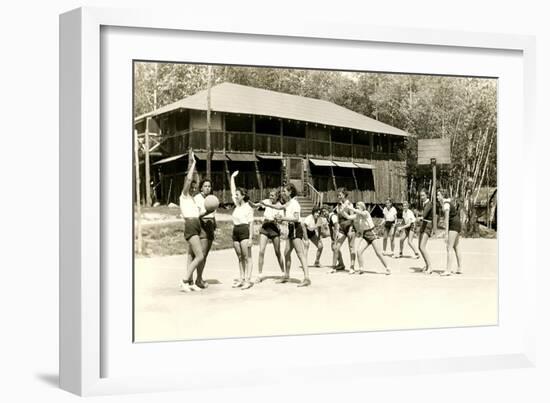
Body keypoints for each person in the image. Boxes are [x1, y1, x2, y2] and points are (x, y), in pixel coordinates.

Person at [178, 151, 206, 292]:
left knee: (191, 255)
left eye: (195, 187)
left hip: (196, 225)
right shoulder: (183, 196)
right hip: (190, 225)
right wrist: (194, 163)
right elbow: (188, 180)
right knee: (200, 255)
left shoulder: (193, 200)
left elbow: (200, 214)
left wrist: (209, 210)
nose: (193, 188)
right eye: (192, 187)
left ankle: (189, 282)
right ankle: (184, 281)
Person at [274, 183, 311, 287]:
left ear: (290, 192)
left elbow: (295, 218)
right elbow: (278, 207)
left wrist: (282, 219)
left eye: (284, 191)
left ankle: (307, 278)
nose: (283, 192)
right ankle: (286, 275)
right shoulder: (289, 203)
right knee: (286, 253)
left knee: (300, 254)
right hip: (291, 228)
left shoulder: (295, 203)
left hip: (295, 227)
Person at [250, 189, 285, 282]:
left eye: (273, 195)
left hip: (274, 228)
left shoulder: (280, 206)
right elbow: (254, 205)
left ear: (277, 196)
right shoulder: (266, 202)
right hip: (265, 227)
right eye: (270, 195)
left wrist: (277, 220)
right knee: (261, 251)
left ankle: (283, 273)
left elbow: (280, 220)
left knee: (278, 252)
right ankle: (260, 275)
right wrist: (247, 200)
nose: (270, 197)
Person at [188, 179, 216, 289]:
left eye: (209, 186)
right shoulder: (197, 198)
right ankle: (195, 279)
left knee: (205, 255)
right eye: (205, 186)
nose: (208, 188)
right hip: (201, 224)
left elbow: (213, 214)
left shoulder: (212, 198)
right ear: (201, 188)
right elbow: (195, 214)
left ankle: (198, 278)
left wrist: (214, 223)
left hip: (210, 225)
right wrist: (206, 212)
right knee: (200, 255)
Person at [349, 202, 392, 275]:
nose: (357, 207)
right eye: (356, 206)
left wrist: (350, 208)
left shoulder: (365, 212)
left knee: (378, 253)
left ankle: (388, 267)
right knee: (359, 251)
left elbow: (361, 213)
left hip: (372, 233)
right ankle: (361, 268)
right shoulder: (357, 215)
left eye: (358, 206)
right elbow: (348, 217)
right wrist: (343, 209)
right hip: (365, 235)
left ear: (362, 207)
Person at [230, 171, 255, 290]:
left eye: (238, 195)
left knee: (247, 257)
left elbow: (251, 223)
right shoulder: (237, 205)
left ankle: (248, 280)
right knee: (240, 256)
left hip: (245, 230)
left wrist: (250, 238)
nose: (235, 196)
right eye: (235, 195)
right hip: (236, 231)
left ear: (243, 196)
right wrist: (232, 178)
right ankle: (241, 278)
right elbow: (232, 189)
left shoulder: (248, 208)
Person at [330, 188, 356, 273]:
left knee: (351, 247)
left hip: (350, 228)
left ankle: (352, 267)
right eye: (338, 195)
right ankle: (334, 267)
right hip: (341, 228)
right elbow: (338, 218)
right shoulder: (338, 205)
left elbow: (352, 218)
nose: (338, 196)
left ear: (344, 195)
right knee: (336, 247)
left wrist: (350, 230)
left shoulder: (349, 204)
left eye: (340, 195)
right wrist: (337, 230)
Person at [437, 189, 463, 276]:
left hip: (453, 224)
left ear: (443, 196)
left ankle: (448, 270)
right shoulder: (446, 203)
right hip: (457, 223)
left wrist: (446, 234)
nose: (437, 197)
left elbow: (446, 220)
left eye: (438, 195)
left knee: (449, 247)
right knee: (456, 247)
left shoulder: (446, 204)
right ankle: (460, 268)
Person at [418, 189, 434, 274]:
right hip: (423, 226)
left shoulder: (429, 204)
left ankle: (430, 267)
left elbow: (423, 215)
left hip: (427, 226)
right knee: (419, 247)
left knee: (422, 247)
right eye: (421, 195)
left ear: (427, 195)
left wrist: (419, 217)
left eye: (423, 195)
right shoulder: (424, 204)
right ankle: (427, 265)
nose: (422, 197)